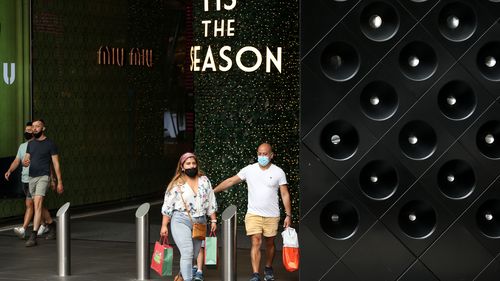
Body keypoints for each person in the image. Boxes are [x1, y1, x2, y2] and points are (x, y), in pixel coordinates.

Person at [214, 143, 292, 281]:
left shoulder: (278, 172)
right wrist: (212, 191)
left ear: (271, 155)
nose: (262, 156)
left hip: (272, 215)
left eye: (265, 154)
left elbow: (284, 193)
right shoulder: (249, 170)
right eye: (260, 154)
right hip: (253, 214)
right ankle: (255, 274)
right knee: (256, 241)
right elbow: (231, 180)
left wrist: (288, 215)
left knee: (270, 243)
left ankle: (268, 268)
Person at [160, 152, 217, 281]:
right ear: (182, 166)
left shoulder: (204, 180)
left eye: (193, 163)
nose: (191, 166)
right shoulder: (177, 184)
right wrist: (164, 225)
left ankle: (181, 276)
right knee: (187, 251)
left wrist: (213, 220)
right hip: (181, 220)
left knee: (194, 254)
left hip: (201, 221)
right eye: (188, 164)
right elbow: (167, 206)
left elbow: (211, 201)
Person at [3, 122, 52, 239]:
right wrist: (10, 170)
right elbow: (17, 161)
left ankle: (24, 229)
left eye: (30, 130)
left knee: (30, 204)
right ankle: (47, 224)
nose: (28, 132)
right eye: (26, 130)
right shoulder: (22, 146)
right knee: (37, 204)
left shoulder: (40, 145)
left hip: (35, 178)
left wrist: (53, 179)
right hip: (24, 180)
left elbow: (48, 163)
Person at [23, 119, 64, 247]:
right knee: (37, 205)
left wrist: (59, 182)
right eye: (33, 126)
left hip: (44, 176)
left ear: (43, 128)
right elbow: (26, 159)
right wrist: (25, 161)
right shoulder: (30, 144)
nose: (34, 128)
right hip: (31, 177)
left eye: (37, 126)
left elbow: (56, 164)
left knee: (38, 203)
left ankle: (33, 235)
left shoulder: (50, 144)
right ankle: (52, 225)